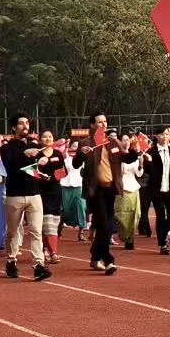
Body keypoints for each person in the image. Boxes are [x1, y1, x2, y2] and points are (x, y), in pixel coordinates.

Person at [0, 114, 52, 281]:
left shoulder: (35, 145)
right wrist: (25, 154)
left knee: (36, 231)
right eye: (21, 123)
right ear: (14, 127)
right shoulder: (6, 148)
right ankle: (11, 261)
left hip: (34, 194)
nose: (25, 126)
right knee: (13, 232)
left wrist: (44, 164)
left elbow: (40, 164)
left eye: (27, 123)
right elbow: (11, 166)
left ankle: (39, 265)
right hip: (14, 195)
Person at [73, 114, 125, 273]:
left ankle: (95, 257)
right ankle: (108, 260)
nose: (103, 124)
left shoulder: (113, 142)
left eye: (105, 121)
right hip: (95, 190)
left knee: (106, 227)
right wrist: (81, 153)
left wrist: (135, 150)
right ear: (92, 125)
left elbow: (127, 158)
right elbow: (75, 164)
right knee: (104, 225)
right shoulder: (85, 143)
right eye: (100, 122)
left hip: (111, 189)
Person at [142, 126, 170, 256]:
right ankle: (163, 243)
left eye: (167, 134)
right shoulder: (150, 152)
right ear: (156, 136)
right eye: (162, 134)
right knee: (160, 215)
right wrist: (148, 162)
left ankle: (165, 231)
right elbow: (147, 171)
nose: (165, 136)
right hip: (157, 190)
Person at [36, 131, 68, 263]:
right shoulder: (37, 154)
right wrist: (40, 172)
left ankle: (46, 249)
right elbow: (31, 172)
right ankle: (53, 252)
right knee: (46, 222)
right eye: (44, 137)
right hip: (41, 192)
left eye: (50, 136)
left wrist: (53, 177)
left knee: (55, 222)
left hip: (56, 191)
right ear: (40, 139)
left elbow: (64, 172)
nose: (47, 139)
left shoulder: (58, 154)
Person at [113, 133, 144, 251]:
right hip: (122, 187)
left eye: (128, 140)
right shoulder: (116, 154)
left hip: (134, 187)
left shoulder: (133, 155)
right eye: (124, 140)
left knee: (136, 214)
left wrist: (141, 165)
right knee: (122, 215)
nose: (126, 142)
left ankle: (130, 239)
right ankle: (124, 236)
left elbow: (138, 174)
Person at [59, 137, 89, 245]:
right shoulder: (65, 156)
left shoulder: (83, 157)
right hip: (65, 185)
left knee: (81, 207)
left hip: (79, 185)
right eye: (74, 146)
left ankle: (81, 232)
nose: (75, 148)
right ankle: (59, 229)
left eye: (77, 146)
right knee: (65, 210)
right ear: (70, 146)